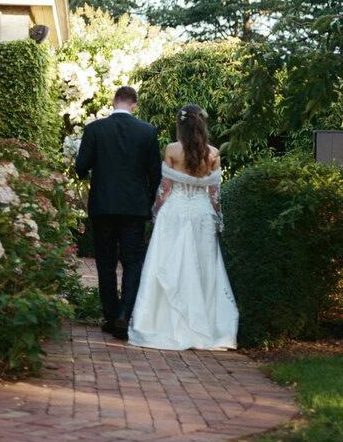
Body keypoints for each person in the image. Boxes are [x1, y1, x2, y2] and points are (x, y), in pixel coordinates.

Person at [127, 104, 239, 351]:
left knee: (166, 264)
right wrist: (218, 218)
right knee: (202, 269)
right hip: (201, 216)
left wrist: (155, 211)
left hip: (174, 214)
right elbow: (214, 192)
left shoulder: (171, 150)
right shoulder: (213, 154)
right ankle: (203, 327)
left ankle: (162, 324)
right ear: (202, 124)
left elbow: (165, 187)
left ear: (180, 125)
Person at [75, 86, 162, 340]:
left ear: (113, 102)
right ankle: (125, 313)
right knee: (133, 261)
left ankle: (111, 318)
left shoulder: (94, 129)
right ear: (134, 104)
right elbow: (155, 174)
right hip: (135, 208)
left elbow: (81, 167)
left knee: (106, 262)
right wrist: (150, 203)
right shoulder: (147, 131)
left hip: (103, 206)